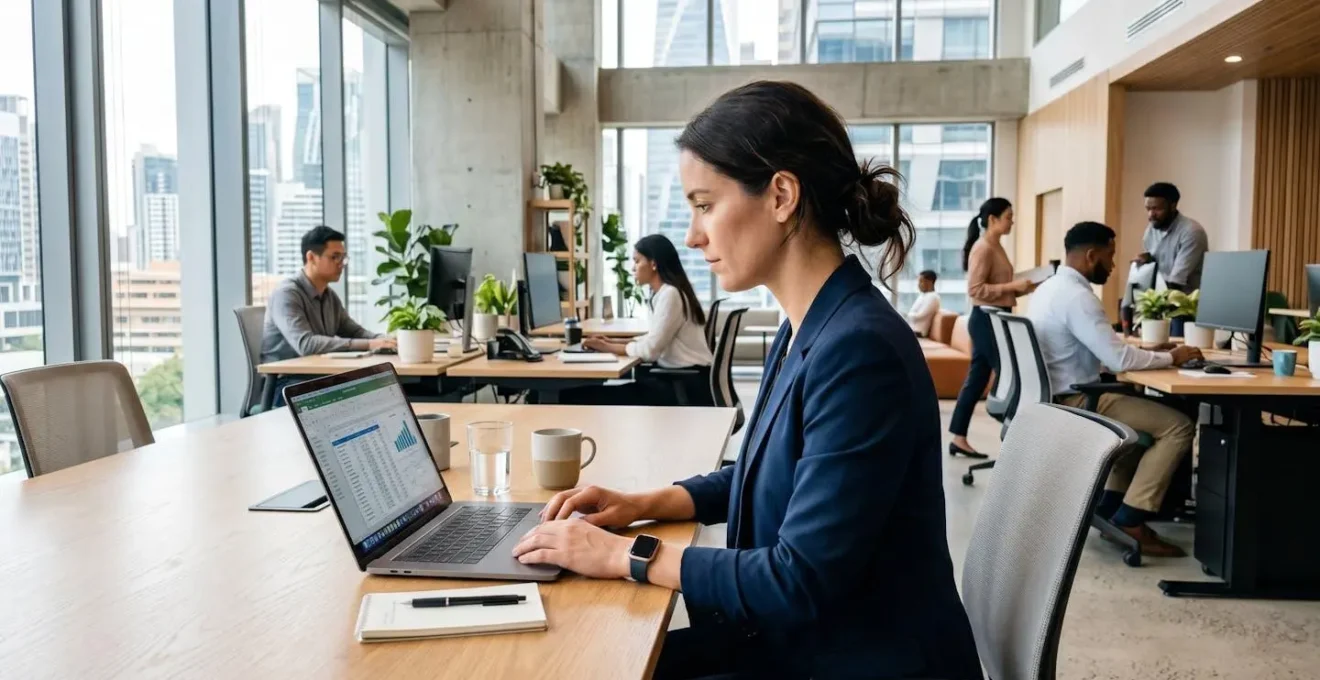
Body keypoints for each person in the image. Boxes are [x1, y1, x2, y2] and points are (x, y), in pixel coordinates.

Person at [512, 81, 982, 680]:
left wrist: (626, 554)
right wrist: (641, 505)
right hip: (805, 641)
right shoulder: (809, 324)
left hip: (854, 658)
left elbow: (798, 578)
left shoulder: (860, 350)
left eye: (705, 205)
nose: (692, 235)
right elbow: (768, 471)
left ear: (781, 195)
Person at [1029, 221, 1202, 557]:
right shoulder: (1079, 298)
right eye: (1109, 256)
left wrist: (1154, 352)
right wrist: (1173, 356)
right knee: (1178, 426)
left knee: (1142, 430)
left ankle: (1111, 506)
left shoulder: (1049, 289)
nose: (1112, 265)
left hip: (1060, 396)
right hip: (1079, 399)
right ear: (1091, 255)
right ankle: (1131, 518)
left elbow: (1103, 351)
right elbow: (1119, 359)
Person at [567, 234, 715, 406]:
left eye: (637, 261)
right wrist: (612, 342)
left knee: (575, 397)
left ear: (653, 264)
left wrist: (607, 347)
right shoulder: (665, 293)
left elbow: (650, 350)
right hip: (680, 381)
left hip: (683, 387)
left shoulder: (671, 294)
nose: (633, 268)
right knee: (583, 394)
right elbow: (654, 338)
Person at [262, 226, 394, 404]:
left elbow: (354, 331)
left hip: (317, 379)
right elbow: (306, 344)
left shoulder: (329, 295)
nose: (342, 263)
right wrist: (370, 344)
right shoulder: (287, 294)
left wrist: (384, 340)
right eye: (334, 257)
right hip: (285, 386)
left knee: (382, 389)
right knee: (368, 397)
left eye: (343, 257)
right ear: (311, 257)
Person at [948, 198, 1037, 459]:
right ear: (992, 219)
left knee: (977, 379)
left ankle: (958, 437)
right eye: (1008, 216)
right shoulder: (983, 248)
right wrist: (1012, 287)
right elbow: (975, 289)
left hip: (997, 317)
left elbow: (997, 287)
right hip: (987, 320)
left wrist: (1022, 288)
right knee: (1012, 374)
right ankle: (1016, 437)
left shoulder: (996, 246)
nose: (1012, 221)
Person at [1135, 182, 1209, 293]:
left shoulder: (1192, 232)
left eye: (1156, 209)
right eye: (1148, 209)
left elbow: (1176, 282)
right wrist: (1147, 262)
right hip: (1159, 297)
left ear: (1173, 206)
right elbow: (1154, 270)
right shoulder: (1151, 230)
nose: (1151, 215)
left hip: (1186, 300)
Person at [906, 269, 942, 336]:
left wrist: (908, 315)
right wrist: (910, 315)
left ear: (930, 282)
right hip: (912, 329)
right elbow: (912, 312)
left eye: (921, 281)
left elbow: (919, 316)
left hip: (919, 332)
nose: (918, 285)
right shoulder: (923, 295)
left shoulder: (933, 297)